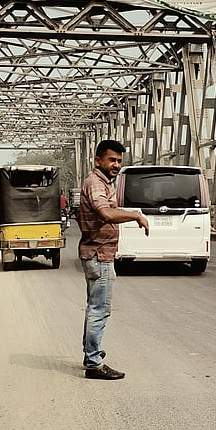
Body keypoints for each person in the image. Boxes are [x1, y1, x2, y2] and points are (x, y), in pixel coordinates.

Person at [78, 140, 150, 380]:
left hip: (97, 253)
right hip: (99, 255)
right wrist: (136, 215)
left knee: (94, 308)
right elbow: (105, 213)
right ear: (98, 160)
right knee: (99, 310)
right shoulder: (96, 183)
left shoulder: (101, 182)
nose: (116, 165)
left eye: (119, 161)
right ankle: (94, 363)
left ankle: (92, 352)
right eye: (112, 160)